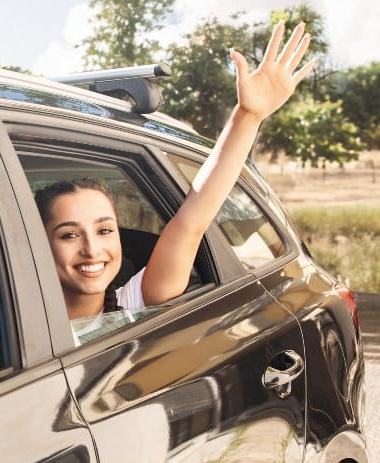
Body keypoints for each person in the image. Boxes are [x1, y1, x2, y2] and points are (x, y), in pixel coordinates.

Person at [35, 22, 314, 324]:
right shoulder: (11, 323)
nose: (92, 249)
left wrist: (248, 116)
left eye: (104, 230)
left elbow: (191, 222)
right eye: (70, 235)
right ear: (41, 245)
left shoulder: (131, 303)